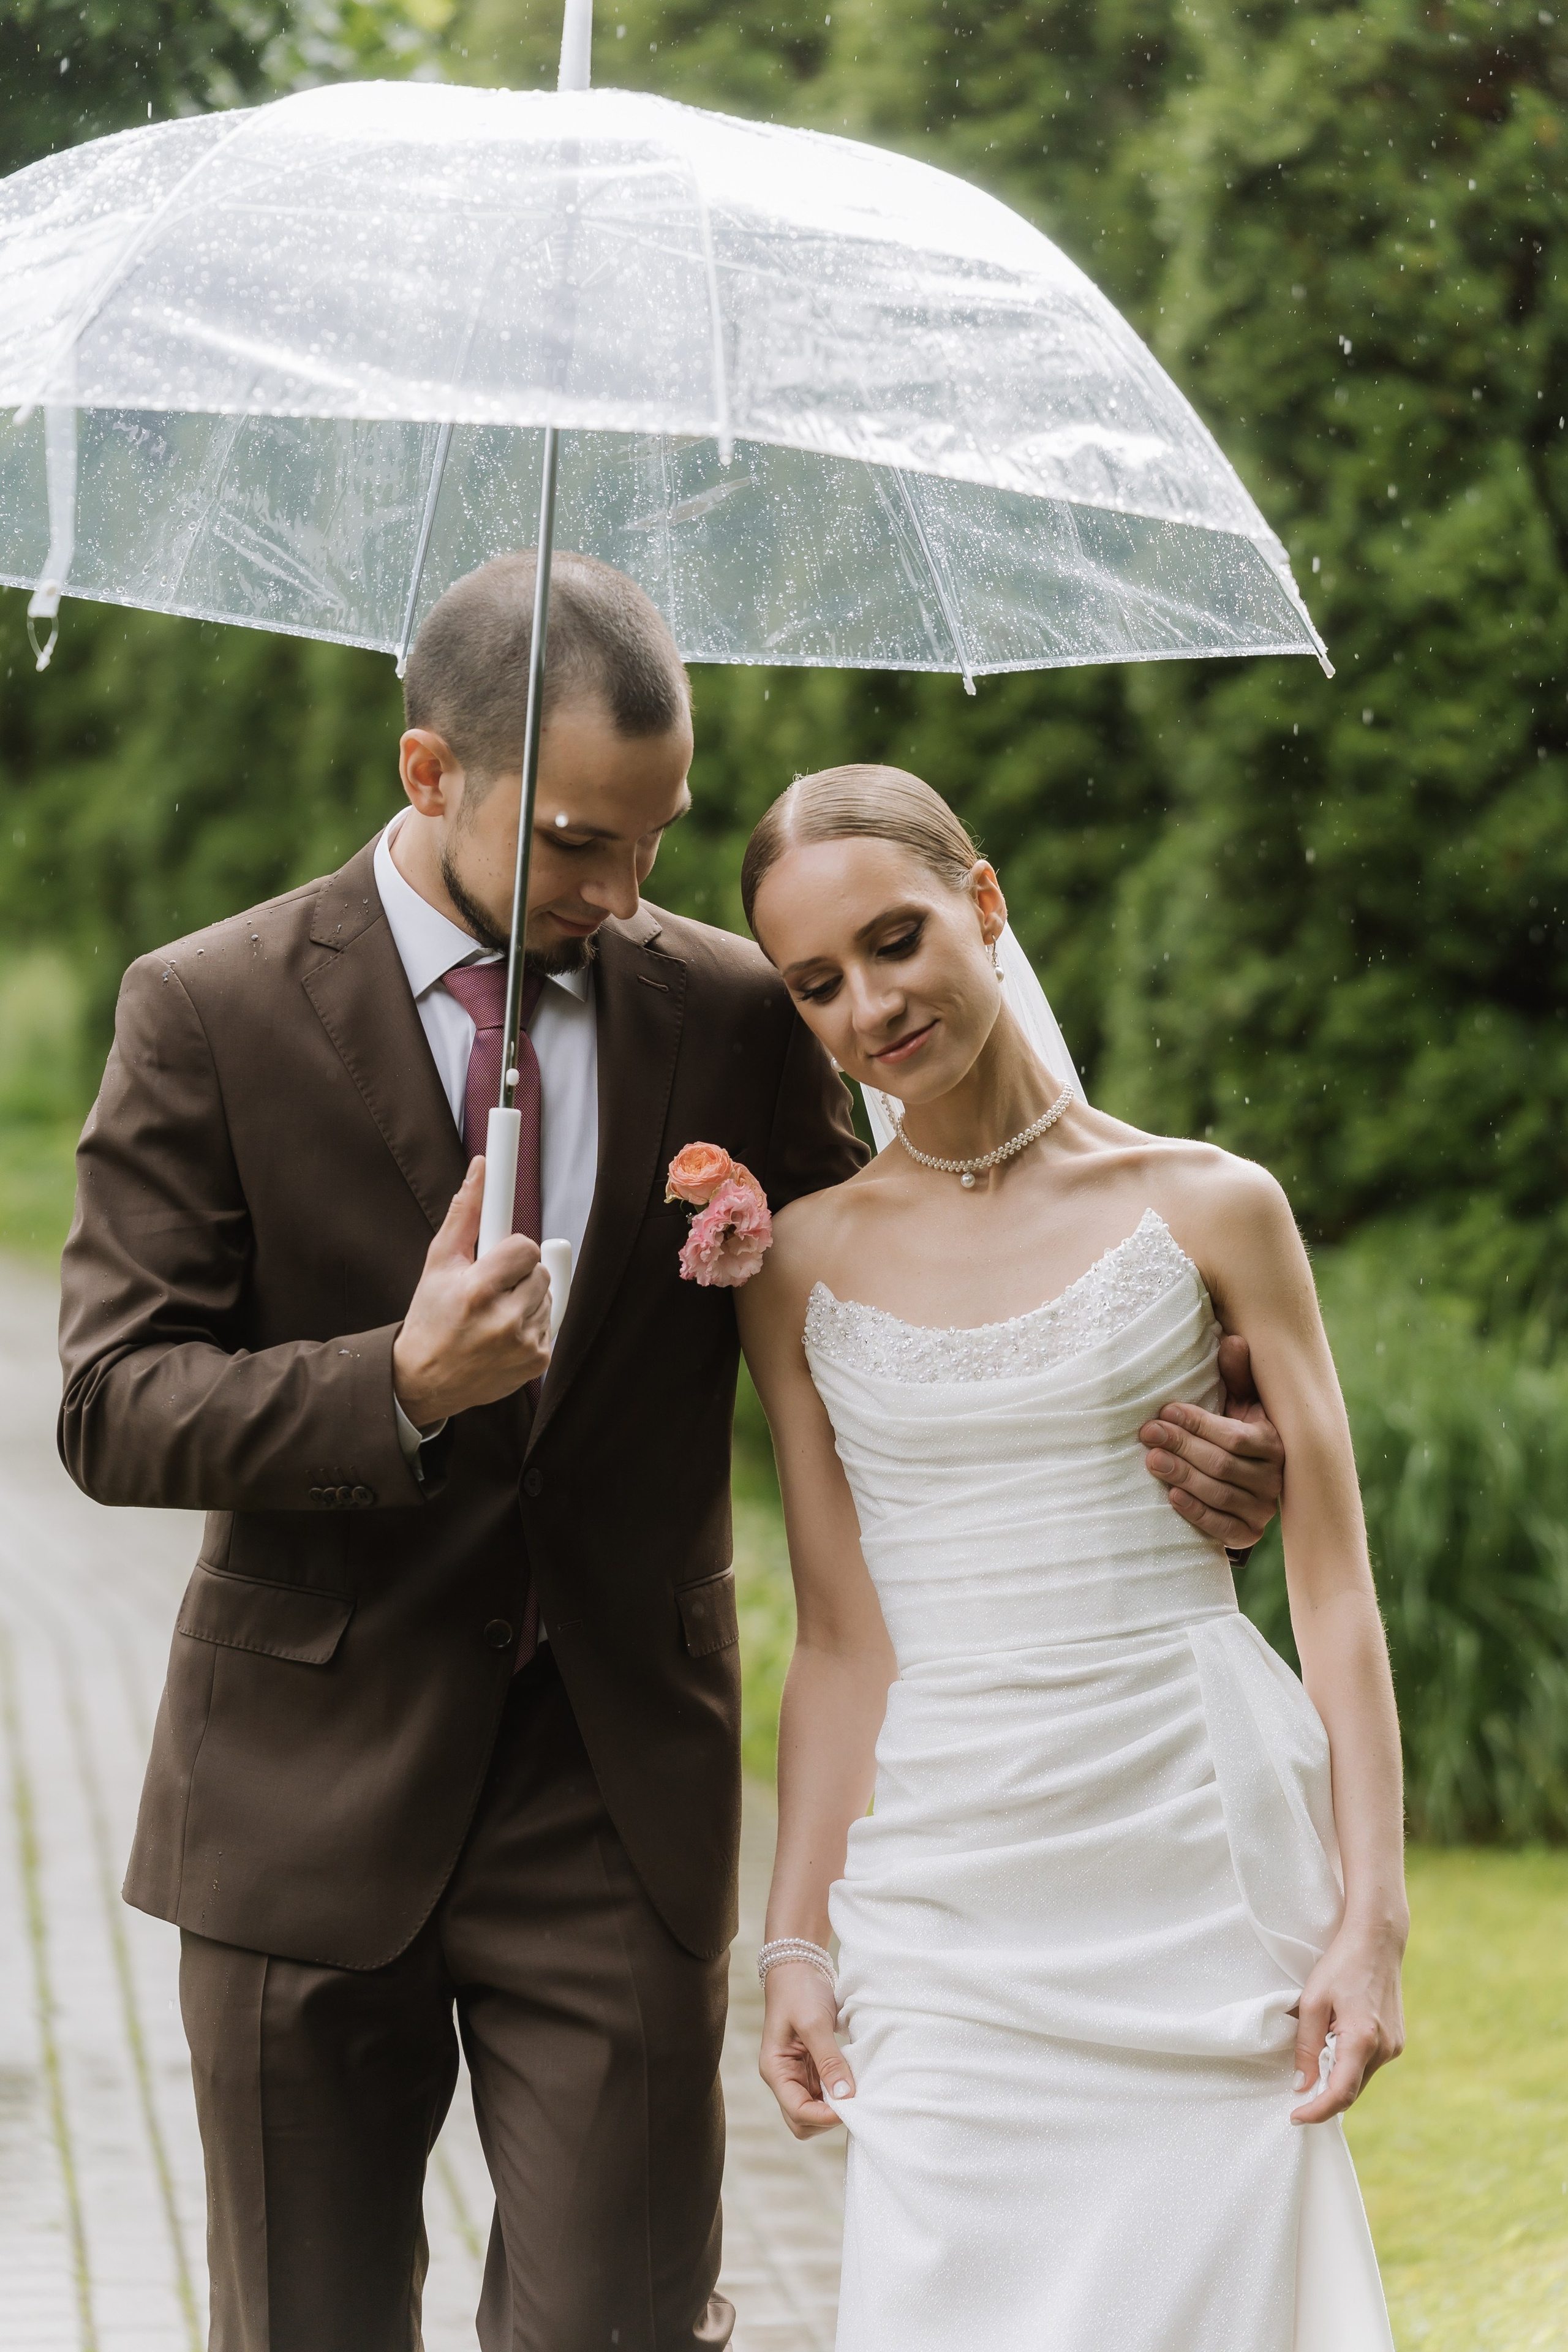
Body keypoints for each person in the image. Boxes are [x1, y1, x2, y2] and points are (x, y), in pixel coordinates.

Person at [58, 559, 1285, 2352]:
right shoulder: (209, 1007)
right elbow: (111, 1401)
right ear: (427, 775)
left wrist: (1183, 1420)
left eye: (651, 841)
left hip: (616, 1791)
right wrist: (389, 1384)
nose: (620, 894)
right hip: (298, 1808)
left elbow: (940, 1268)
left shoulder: (726, 1011)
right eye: (573, 845)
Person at [737, 766, 1406, 2352]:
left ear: (985, 899)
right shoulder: (798, 1265)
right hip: (952, 1891)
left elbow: (1334, 1588)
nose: (870, 1004)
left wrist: (1371, 1917)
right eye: (817, 982)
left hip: (1191, 1859)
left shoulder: (1215, 1206)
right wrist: (792, 1944)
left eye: (897, 940)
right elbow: (840, 1639)